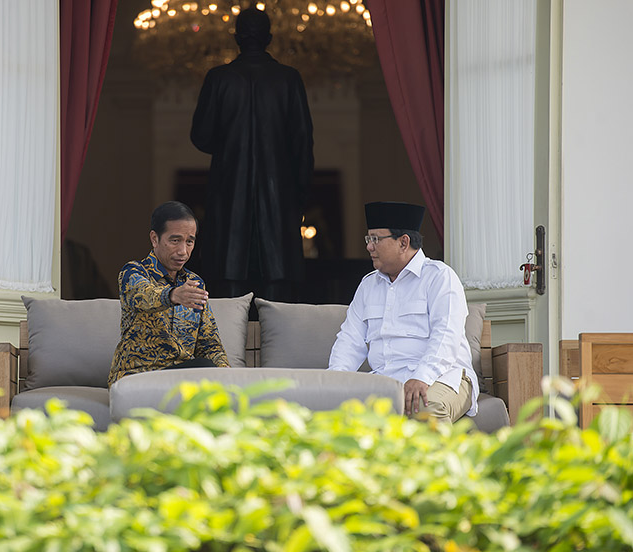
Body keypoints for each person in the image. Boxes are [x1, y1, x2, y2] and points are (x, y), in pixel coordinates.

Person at [190, 7, 314, 302]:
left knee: (229, 284)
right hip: (279, 199)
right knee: (278, 289)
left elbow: (201, 137)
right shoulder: (288, 79)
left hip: (229, 195)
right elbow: (303, 145)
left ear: (237, 38)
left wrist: (231, 140)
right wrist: (301, 197)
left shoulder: (219, 78)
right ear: (269, 38)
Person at [328, 202, 479, 423]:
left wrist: (421, 377)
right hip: (386, 381)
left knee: (423, 406)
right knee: (339, 413)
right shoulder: (368, 285)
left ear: (403, 242)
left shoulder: (439, 277)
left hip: (444, 376)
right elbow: (350, 340)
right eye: (368, 240)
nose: (369, 247)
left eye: (375, 239)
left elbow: (446, 336)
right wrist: (334, 383)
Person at [108, 201, 229, 386]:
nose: (183, 251)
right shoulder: (133, 272)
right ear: (154, 239)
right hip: (135, 378)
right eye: (175, 240)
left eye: (190, 241)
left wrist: (227, 375)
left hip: (181, 380)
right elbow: (144, 295)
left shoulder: (196, 283)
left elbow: (209, 344)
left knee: (211, 369)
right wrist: (173, 295)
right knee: (202, 369)